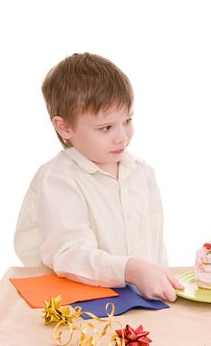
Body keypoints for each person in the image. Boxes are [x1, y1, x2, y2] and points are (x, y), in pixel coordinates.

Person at [14, 53, 183, 301]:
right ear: (64, 127)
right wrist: (131, 269)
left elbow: (155, 250)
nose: (122, 137)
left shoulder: (141, 173)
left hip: (140, 306)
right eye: (106, 128)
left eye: (127, 120)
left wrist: (159, 280)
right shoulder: (58, 179)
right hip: (73, 308)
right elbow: (70, 254)